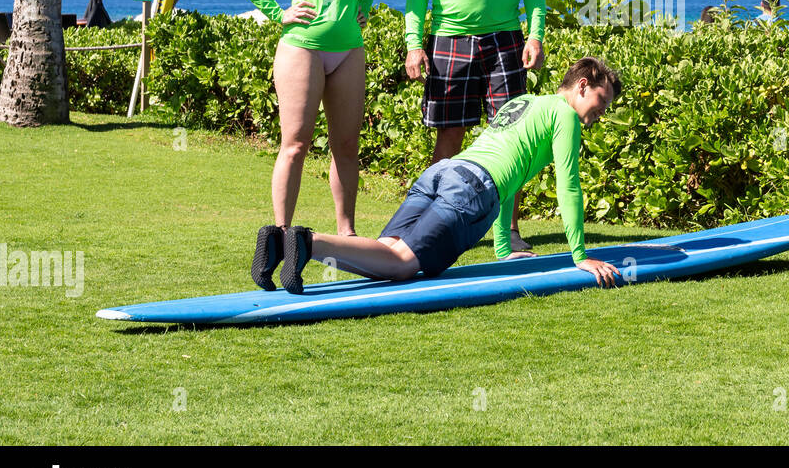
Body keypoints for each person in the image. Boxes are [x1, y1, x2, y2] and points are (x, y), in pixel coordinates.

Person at [253, 58, 625, 294]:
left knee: (383, 257)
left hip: (443, 172)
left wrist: (502, 250)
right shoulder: (564, 116)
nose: (601, 112)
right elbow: (568, 183)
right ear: (581, 86)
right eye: (601, 100)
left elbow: (511, 179)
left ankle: (279, 240)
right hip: (472, 191)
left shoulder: (522, 102)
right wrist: (579, 256)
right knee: (400, 265)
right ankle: (307, 241)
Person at [232, 0, 375, 286]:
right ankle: (278, 238)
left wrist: (361, 8)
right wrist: (278, 13)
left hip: (348, 48)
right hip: (302, 48)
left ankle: (346, 233)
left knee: (346, 147)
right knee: (295, 144)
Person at [404, 0, 547, 255]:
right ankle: (425, 231)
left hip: (504, 42)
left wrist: (534, 34)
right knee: (448, 138)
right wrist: (414, 44)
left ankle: (510, 232)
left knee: (513, 138)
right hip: (449, 40)